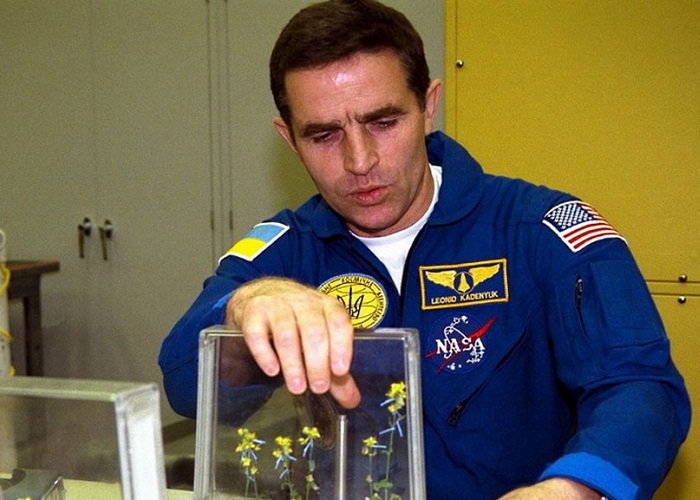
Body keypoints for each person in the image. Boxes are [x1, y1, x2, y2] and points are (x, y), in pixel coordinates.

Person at [159, 0, 690, 498]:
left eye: (383, 123)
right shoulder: (286, 251)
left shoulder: (537, 230)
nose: (360, 161)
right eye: (323, 136)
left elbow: (640, 386)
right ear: (290, 139)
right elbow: (184, 383)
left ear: (429, 106)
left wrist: (574, 487)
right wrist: (245, 309)